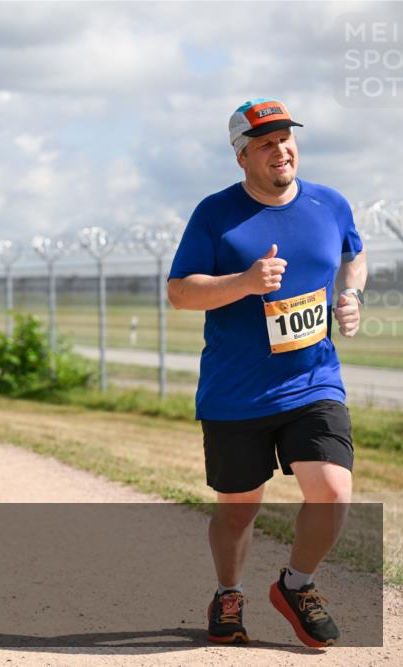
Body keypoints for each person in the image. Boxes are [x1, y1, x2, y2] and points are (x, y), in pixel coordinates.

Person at [167, 98, 367, 648]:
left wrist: (351, 294)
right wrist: (244, 282)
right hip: (237, 393)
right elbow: (179, 292)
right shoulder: (215, 214)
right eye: (265, 144)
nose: (280, 151)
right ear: (242, 157)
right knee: (238, 512)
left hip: (313, 380)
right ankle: (228, 592)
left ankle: (296, 585)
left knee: (332, 490)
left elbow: (354, 253)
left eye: (286, 139)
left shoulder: (330, 203)